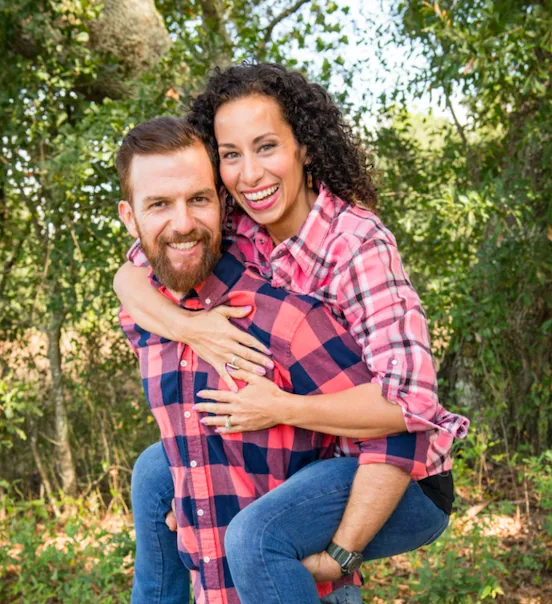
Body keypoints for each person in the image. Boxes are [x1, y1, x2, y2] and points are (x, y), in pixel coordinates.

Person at [116, 63, 469, 602]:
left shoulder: (355, 245)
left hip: (397, 469)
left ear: (304, 146)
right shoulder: (234, 225)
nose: (250, 174)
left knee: (256, 538)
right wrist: (192, 329)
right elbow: (132, 273)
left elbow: (410, 405)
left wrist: (281, 408)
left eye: (266, 147)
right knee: (156, 472)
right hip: (312, 451)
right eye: (231, 155)